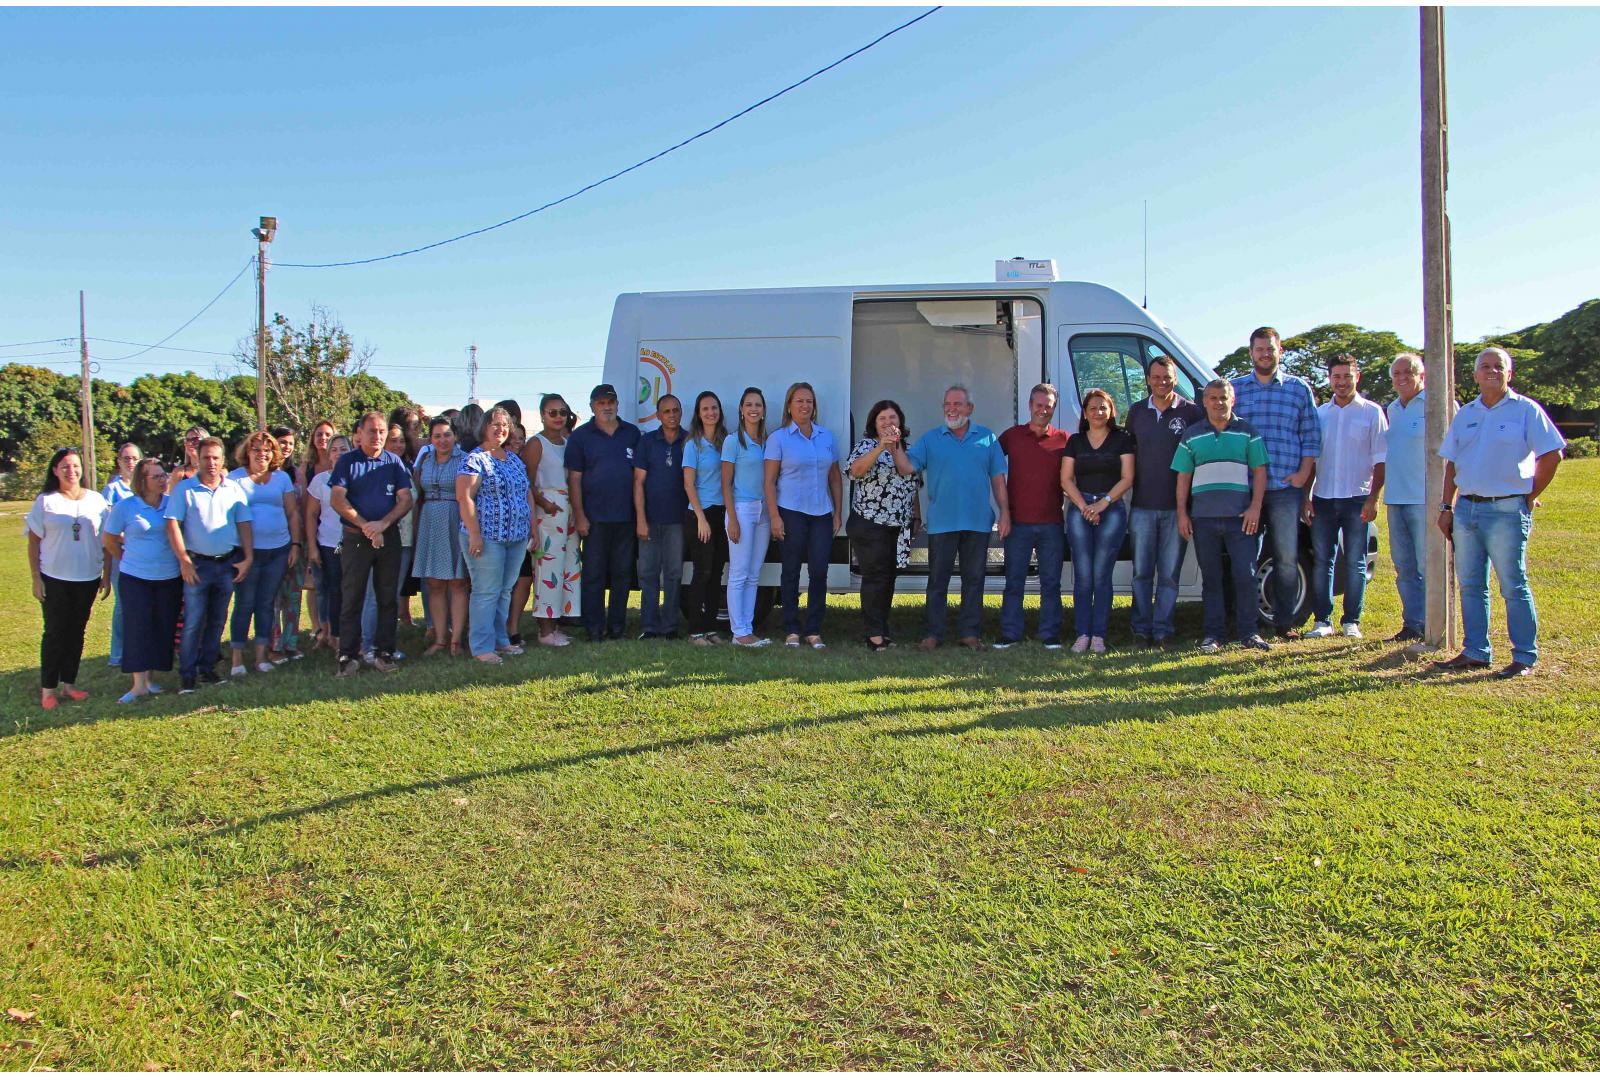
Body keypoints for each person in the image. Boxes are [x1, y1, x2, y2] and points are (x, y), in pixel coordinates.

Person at [1433, 346, 1566, 679]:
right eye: (1485, 367)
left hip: (1506, 509)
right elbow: (1451, 462)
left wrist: (1528, 495)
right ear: (1475, 374)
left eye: (1498, 367)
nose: (1491, 372)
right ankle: (1476, 651)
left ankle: (1524, 656)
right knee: (1471, 584)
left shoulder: (1525, 411)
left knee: (1512, 584)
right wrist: (1446, 506)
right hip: (1467, 510)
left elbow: (1552, 455)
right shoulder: (1466, 413)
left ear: (1510, 374)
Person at [901, 384, 1009, 652]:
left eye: (958, 404)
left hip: (977, 522)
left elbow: (998, 480)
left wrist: (1005, 512)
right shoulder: (930, 439)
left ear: (970, 408)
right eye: (947, 404)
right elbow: (906, 468)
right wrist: (892, 447)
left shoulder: (987, 438)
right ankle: (933, 634)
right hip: (942, 523)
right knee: (938, 580)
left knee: (974, 580)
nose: (951, 409)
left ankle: (970, 633)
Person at [1231, 327, 1322, 638]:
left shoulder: (1298, 390)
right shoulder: (1236, 389)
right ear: (1251, 352)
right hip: (1245, 489)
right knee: (1246, 559)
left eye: (1270, 349)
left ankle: (1285, 623)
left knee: (1286, 558)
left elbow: (1311, 436)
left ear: (1279, 351)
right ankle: (1246, 623)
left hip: (1285, 489)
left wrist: (1302, 474)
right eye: (1259, 349)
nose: (1265, 354)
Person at [1174, 380, 1271, 653]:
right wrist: (1183, 513)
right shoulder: (1192, 435)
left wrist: (1255, 507)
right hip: (1203, 518)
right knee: (1212, 579)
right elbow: (1183, 477)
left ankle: (1249, 633)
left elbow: (1260, 472)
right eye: (1213, 398)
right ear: (1204, 402)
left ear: (1233, 399)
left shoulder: (1247, 432)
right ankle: (1213, 635)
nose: (1218, 403)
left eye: (1223, 397)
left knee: (1246, 575)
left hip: (1240, 518)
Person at [1305, 355, 1387, 639]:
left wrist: (1373, 499)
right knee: (1322, 561)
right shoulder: (1319, 414)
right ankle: (1322, 621)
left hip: (1357, 498)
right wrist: (1306, 496)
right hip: (1324, 498)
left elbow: (1380, 461)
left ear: (1357, 377)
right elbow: (1312, 459)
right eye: (1336, 377)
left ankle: (1351, 620)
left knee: (1355, 561)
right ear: (1330, 379)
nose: (1341, 382)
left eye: (1347, 376)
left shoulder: (1372, 413)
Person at [1125, 358, 1206, 649]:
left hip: (1177, 509)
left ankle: (1163, 631)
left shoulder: (1191, 413)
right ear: (1147, 379)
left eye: (1167, 377)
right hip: (1142, 507)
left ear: (1175, 378)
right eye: (1156, 377)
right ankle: (1140, 630)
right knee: (1141, 573)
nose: (1162, 382)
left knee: (1169, 575)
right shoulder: (1136, 412)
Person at [165, 436, 254, 692]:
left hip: (227, 564)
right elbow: (172, 525)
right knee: (193, 621)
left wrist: (248, 558)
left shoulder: (234, 489)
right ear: (198, 459)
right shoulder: (185, 489)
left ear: (223, 460)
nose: (211, 463)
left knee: (217, 620)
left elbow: (244, 524)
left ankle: (207, 669)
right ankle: (187, 674)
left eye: (216, 458)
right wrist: (184, 561)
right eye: (206, 458)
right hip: (198, 565)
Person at [328, 412, 414, 676]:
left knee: (388, 597)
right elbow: (337, 499)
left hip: (388, 537)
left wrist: (383, 525)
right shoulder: (347, 462)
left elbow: (405, 499)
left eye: (381, 431)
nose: (377, 436)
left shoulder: (394, 463)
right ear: (360, 434)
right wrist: (366, 525)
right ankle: (348, 656)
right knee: (352, 597)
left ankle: (384, 653)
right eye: (372, 431)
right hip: (356, 538)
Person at [26, 448, 110, 709]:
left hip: (87, 577)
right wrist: (36, 578)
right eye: (65, 466)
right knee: (55, 632)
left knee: (77, 632)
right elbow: (33, 542)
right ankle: (48, 690)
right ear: (55, 470)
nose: (71, 471)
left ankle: (69, 685)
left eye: (75, 466)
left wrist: (106, 575)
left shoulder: (96, 500)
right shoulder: (46, 501)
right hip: (54, 577)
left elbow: (107, 541)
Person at [765, 382, 843, 648]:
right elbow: (769, 481)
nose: (805, 406)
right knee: (790, 571)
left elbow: (834, 477)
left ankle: (813, 629)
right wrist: (774, 517)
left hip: (821, 512)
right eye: (799, 401)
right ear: (789, 405)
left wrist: (837, 512)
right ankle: (791, 629)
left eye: (809, 401)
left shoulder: (826, 436)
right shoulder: (779, 438)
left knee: (819, 571)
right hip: (791, 512)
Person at [1061, 389, 1136, 653]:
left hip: (1112, 508)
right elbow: (1066, 478)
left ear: (1111, 411)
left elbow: (1127, 477)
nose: (1098, 412)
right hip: (1080, 508)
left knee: (1102, 574)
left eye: (1103, 407)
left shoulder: (1122, 439)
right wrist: (1084, 506)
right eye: (1093, 408)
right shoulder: (1075, 441)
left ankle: (1099, 636)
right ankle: (1082, 634)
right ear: (1085, 412)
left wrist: (1103, 504)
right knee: (1083, 575)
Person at [458, 406, 533, 663]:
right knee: (486, 591)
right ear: (484, 427)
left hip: (516, 536)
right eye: (495, 424)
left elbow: (525, 494)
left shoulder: (513, 459)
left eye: (504, 425)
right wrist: (474, 534)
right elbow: (465, 498)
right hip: (487, 536)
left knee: (504, 591)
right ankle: (481, 647)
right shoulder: (474, 459)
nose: (500, 429)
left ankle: (500, 641)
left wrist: (530, 528)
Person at [567, 383, 642, 642]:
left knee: (622, 574)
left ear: (617, 404)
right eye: (600, 403)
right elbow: (574, 479)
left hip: (626, 517)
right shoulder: (580, 437)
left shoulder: (632, 434)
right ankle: (594, 627)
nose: (606, 407)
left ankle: (617, 627)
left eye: (610, 402)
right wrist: (579, 515)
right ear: (592, 407)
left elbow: (638, 478)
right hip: (595, 518)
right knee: (594, 575)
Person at [103, 458, 181, 704]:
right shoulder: (126, 507)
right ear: (142, 481)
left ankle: (150, 679)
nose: (162, 480)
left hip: (168, 577)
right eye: (156, 477)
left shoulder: (171, 504)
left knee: (161, 627)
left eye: (163, 475)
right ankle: (138, 685)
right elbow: (110, 539)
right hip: (135, 578)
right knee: (138, 628)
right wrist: (125, 558)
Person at [996, 384, 1067, 649]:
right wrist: (1002, 509)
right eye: (1038, 404)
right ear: (1029, 405)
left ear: (1053, 408)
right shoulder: (1011, 436)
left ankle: (1050, 634)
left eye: (1048, 406)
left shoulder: (1064, 440)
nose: (1043, 410)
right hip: (1018, 523)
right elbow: (990, 464)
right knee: (1014, 581)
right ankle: (1010, 633)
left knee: (1051, 582)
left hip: (1052, 523)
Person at [227, 431, 301, 676]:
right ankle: (237, 659)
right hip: (246, 553)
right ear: (246, 453)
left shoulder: (281, 479)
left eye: (267, 451)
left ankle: (261, 656)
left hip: (278, 551)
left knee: (266, 604)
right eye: (256, 450)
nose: (262, 455)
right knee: (244, 603)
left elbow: (292, 513)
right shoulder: (234, 479)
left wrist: (295, 545)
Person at [846, 399, 917, 651]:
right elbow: (855, 471)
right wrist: (880, 447)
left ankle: (882, 631)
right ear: (874, 424)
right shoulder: (865, 446)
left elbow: (910, 480)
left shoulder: (907, 449)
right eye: (882, 419)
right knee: (874, 577)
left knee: (888, 579)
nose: (888, 422)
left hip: (897, 527)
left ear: (900, 422)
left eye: (893, 418)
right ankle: (873, 634)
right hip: (869, 523)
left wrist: (894, 447)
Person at [1379, 353, 1429, 642]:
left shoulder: (1437, 403)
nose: (1401, 378)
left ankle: (1435, 623)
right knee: (1404, 567)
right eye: (1396, 373)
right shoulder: (1393, 408)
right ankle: (1412, 624)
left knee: (1427, 566)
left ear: (1421, 375)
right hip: (1396, 499)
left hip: (1424, 498)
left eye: (1407, 372)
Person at [360, 422, 421, 655]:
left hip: (403, 541)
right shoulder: (376, 467)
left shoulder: (404, 467)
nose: (398, 444)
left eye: (401, 440)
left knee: (391, 596)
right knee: (374, 596)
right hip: (379, 539)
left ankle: (385, 645)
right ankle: (367, 646)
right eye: (392, 440)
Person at [634, 394, 690, 639]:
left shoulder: (689, 441)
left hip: (677, 520)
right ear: (658, 415)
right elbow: (638, 482)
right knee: (648, 573)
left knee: (673, 573)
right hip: (650, 518)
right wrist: (640, 519)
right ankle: (648, 626)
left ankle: (669, 627)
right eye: (666, 411)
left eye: (675, 410)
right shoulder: (647, 442)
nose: (672, 415)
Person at [526, 394, 579, 646]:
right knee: (547, 568)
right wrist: (544, 503)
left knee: (567, 568)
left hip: (568, 512)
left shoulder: (569, 442)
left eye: (562, 412)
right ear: (542, 415)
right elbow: (527, 481)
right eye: (552, 412)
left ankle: (556, 625)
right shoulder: (536, 444)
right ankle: (544, 630)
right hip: (547, 513)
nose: (558, 417)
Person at [413, 416, 469, 656]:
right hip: (429, 520)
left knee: (457, 582)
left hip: (455, 518)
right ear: (430, 438)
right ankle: (439, 637)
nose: (442, 440)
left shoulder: (465, 460)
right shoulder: (425, 459)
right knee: (434, 583)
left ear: (454, 436)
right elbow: (417, 490)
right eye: (437, 435)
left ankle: (456, 639)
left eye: (446, 434)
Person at [722, 387, 772, 648]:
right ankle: (738, 632)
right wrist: (732, 518)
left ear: (764, 411)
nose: (754, 409)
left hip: (763, 511)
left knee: (754, 574)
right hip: (741, 510)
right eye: (749, 405)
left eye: (758, 405)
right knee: (739, 574)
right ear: (741, 410)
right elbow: (726, 484)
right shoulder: (733, 441)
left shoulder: (766, 441)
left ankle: (747, 629)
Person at [681, 390, 729, 645]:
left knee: (717, 574)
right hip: (700, 514)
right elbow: (689, 485)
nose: (711, 413)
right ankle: (695, 631)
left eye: (714, 408)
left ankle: (711, 629)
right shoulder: (693, 445)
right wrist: (701, 518)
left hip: (722, 513)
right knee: (702, 572)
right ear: (698, 415)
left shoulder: (726, 441)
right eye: (705, 409)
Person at [303, 434, 351, 655]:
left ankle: (353, 634)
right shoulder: (320, 480)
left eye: (343, 449)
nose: (339, 453)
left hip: (354, 542)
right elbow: (311, 515)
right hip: (328, 544)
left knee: (352, 591)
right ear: (329, 454)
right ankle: (334, 635)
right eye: (335, 450)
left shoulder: (358, 477)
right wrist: (312, 547)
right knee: (333, 591)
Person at [297, 420, 338, 649]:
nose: (323, 438)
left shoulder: (352, 471)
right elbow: (308, 510)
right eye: (319, 434)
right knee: (320, 587)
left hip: (345, 541)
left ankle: (338, 632)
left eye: (328, 435)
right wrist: (310, 543)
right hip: (321, 537)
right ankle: (321, 629)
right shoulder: (310, 471)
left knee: (339, 588)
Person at [101, 441, 143, 669]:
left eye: (134, 458)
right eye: (126, 458)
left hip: (143, 556)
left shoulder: (145, 487)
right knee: (123, 605)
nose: (130, 463)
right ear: (119, 462)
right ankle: (117, 653)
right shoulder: (112, 490)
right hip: (121, 555)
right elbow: (108, 528)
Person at [267, 425, 306, 662]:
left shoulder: (296, 473)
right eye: (282, 442)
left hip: (295, 540)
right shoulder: (265, 474)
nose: (287, 447)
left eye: (290, 443)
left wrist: (299, 543)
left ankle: (291, 642)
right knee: (272, 597)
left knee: (293, 595)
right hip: (271, 543)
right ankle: (274, 644)